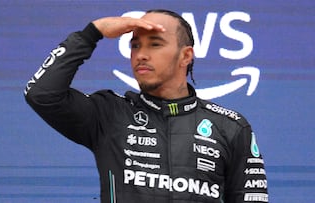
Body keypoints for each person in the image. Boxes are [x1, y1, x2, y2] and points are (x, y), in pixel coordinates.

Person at [24, 9, 268, 203]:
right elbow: (42, 94)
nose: (141, 54)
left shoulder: (230, 127)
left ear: (186, 56)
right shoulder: (108, 113)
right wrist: (92, 33)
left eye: (155, 44)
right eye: (135, 45)